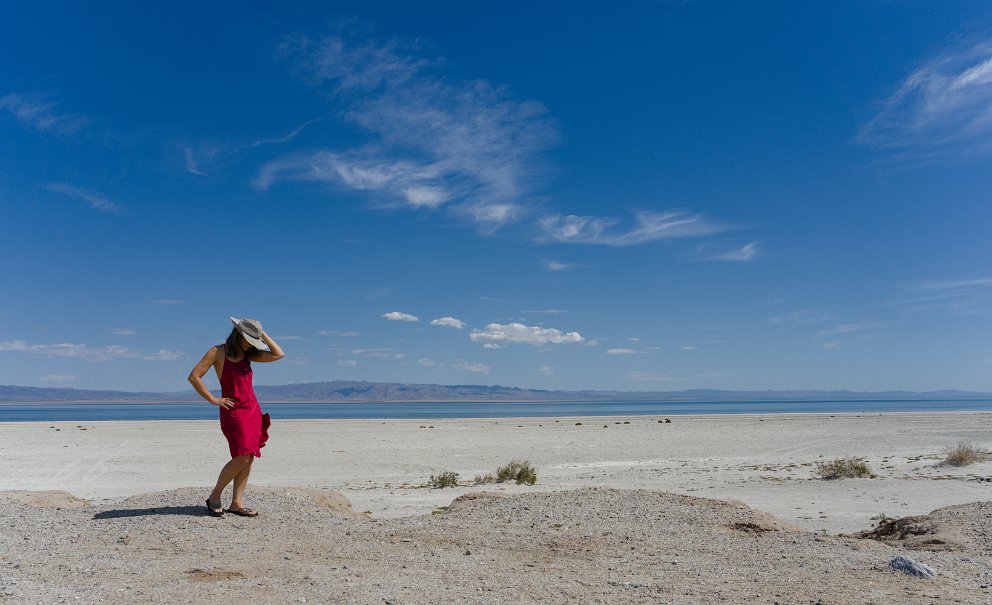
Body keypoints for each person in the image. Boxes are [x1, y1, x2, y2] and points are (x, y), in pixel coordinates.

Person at [188, 317, 285, 517]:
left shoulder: (250, 354)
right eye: (249, 339)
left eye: (254, 341)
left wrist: (261, 333)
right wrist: (213, 399)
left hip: (252, 410)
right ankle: (215, 496)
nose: (252, 344)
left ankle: (236, 503)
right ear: (239, 335)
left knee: (249, 457)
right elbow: (194, 376)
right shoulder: (217, 352)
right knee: (242, 456)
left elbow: (278, 354)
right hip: (232, 411)